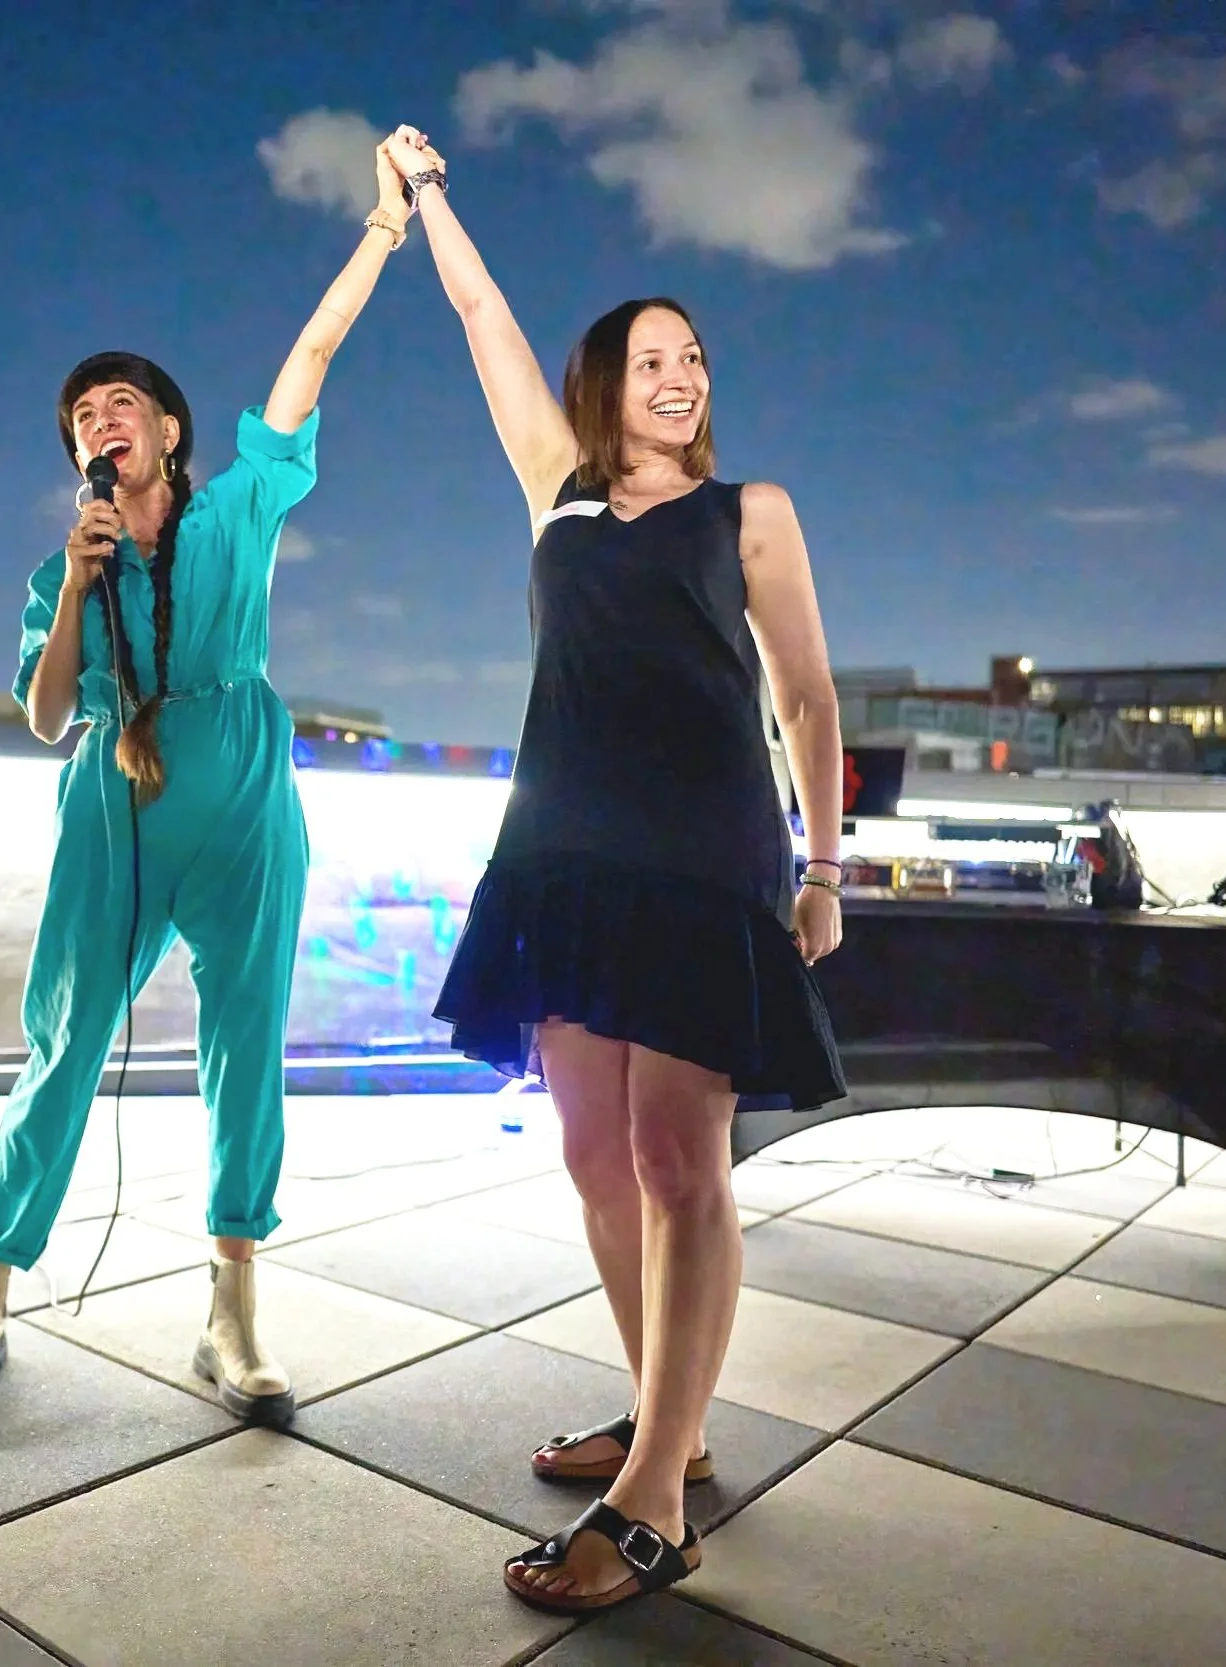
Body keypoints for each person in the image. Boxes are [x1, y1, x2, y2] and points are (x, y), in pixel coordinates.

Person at [385, 126, 848, 1615]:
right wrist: (426, 196)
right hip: (565, 858)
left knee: (677, 1158)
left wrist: (824, 866)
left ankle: (652, 1502)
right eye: (652, 357)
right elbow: (480, 316)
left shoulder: (750, 512)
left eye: (693, 356)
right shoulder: (559, 489)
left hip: (704, 856)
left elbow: (808, 698)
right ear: (604, 383)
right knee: (593, 1153)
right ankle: (671, 1423)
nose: (680, 374)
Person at [0, 134, 417, 1429]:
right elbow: (46, 715)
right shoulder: (61, 570)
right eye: (83, 415)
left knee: (247, 1045)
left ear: (170, 429)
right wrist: (78, 586)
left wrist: (381, 227)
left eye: (122, 402)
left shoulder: (238, 508)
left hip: (243, 787)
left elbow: (312, 357)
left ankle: (232, 1310)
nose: (102, 419)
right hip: (115, 804)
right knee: (67, 1038)